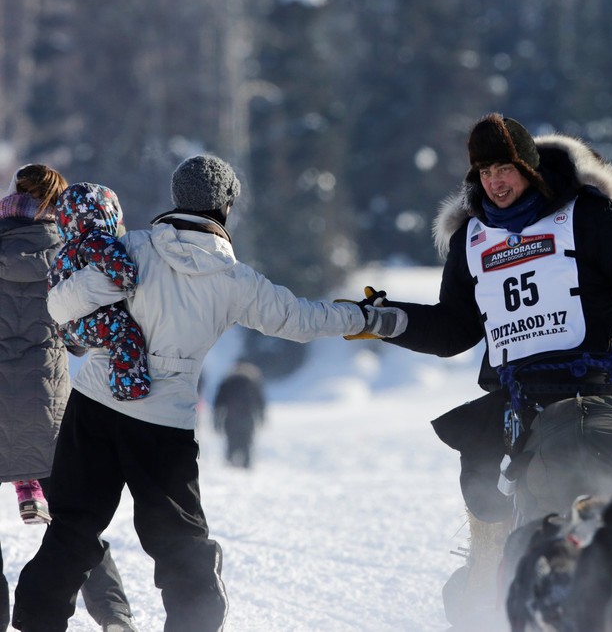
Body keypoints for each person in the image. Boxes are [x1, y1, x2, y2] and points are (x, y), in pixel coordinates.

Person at [11, 155, 406, 632]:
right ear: (227, 207)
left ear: (176, 198)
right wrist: (367, 318)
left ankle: (36, 623)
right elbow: (304, 320)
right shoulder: (235, 281)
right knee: (177, 539)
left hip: (93, 406)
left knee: (72, 527)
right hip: (162, 425)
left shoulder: (129, 247)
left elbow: (60, 305)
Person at [368, 113, 612, 623]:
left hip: (601, 386)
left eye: (505, 168)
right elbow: (455, 328)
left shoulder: (588, 214)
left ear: (530, 168)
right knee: (483, 488)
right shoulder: (471, 239)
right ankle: (491, 601)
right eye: (484, 171)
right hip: (519, 398)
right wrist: (387, 320)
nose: (494, 181)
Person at [1, 164, 137, 632]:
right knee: (74, 521)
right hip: (47, 405)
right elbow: (79, 340)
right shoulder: (65, 257)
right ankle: (115, 616)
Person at [48, 182, 150, 401]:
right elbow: (112, 261)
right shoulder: (95, 239)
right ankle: (129, 386)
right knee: (125, 332)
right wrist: (128, 277)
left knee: (116, 334)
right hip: (91, 320)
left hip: (70, 328)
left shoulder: (64, 252)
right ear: (108, 212)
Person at [212, 361, 267, 468]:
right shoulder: (252, 381)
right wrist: (261, 417)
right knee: (246, 443)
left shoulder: (228, 381)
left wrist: (216, 421)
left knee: (231, 443)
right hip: (247, 419)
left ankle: (229, 467)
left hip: (231, 419)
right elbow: (260, 402)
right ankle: (246, 467)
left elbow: (218, 403)